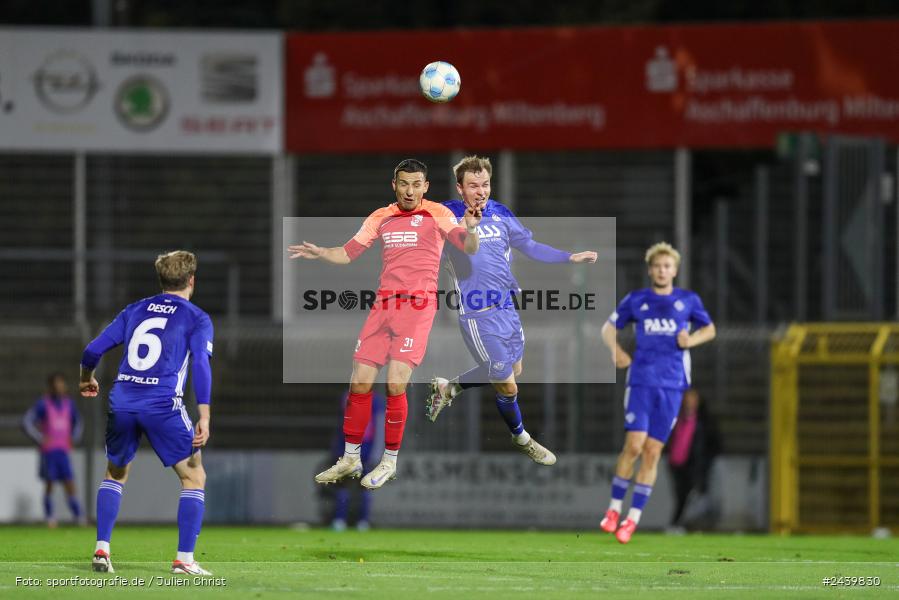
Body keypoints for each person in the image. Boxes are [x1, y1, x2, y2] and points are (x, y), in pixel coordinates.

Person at [288, 158, 481, 490]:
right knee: (359, 381)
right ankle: (351, 457)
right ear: (394, 185)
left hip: (417, 308)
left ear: (425, 187)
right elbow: (348, 252)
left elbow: (468, 246)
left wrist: (473, 228)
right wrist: (322, 252)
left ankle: (389, 461)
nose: (410, 191)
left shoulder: (438, 213)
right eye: (404, 184)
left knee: (394, 383)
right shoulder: (380, 216)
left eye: (416, 184)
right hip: (383, 307)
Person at [425, 155, 597, 464]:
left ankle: (449, 388)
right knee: (506, 383)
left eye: (485, 184)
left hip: (507, 308)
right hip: (477, 314)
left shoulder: (501, 213)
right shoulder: (447, 214)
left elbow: (530, 247)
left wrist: (569, 257)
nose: (480, 191)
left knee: (513, 369)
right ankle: (522, 438)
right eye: (473, 185)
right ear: (460, 188)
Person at [79, 250, 214, 575]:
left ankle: (102, 549)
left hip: (123, 400)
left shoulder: (135, 309)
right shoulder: (197, 318)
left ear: (161, 279)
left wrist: (85, 378)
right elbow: (200, 363)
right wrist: (205, 414)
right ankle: (184, 560)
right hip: (162, 404)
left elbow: (92, 349)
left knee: (115, 473)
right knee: (194, 476)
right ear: (191, 280)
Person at [599, 242, 715, 544]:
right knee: (634, 445)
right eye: (657, 266)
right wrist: (615, 350)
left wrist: (691, 340)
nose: (662, 271)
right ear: (650, 270)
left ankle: (632, 519)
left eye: (667, 266)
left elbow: (709, 329)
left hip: (672, 385)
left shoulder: (687, 301)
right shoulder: (637, 300)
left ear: (674, 270)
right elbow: (608, 329)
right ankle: (614, 509)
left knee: (652, 452)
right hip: (641, 381)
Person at [22, 373, 84, 527]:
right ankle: (50, 517)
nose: (59, 387)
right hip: (49, 451)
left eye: (61, 384)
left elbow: (78, 422)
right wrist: (40, 438)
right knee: (50, 483)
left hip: (63, 450)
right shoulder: (43, 404)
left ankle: (78, 516)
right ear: (50, 387)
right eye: (56, 385)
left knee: (69, 482)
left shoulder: (69, 404)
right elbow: (27, 421)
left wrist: (73, 437)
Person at [329, 392, 385, 531]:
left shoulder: (375, 401)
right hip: (347, 449)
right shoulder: (346, 397)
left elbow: (379, 427)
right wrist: (337, 449)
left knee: (363, 487)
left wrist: (376, 453)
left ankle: (361, 521)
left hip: (365, 450)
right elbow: (341, 426)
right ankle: (341, 520)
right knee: (343, 486)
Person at [667, 388, 721, 530]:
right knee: (681, 495)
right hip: (678, 465)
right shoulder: (677, 419)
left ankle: (681, 524)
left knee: (694, 496)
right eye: (687, 398)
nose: (689, 402)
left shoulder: (704, 421)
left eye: (692, 399)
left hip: (697, 466)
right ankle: (679, 524)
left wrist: (706, 461)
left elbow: (713, 444)